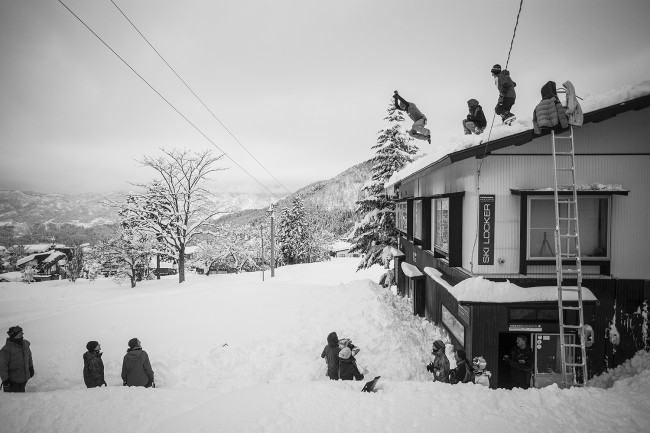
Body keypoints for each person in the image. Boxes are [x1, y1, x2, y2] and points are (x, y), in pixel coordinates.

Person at [0, 326, 34, 393]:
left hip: (24, 377)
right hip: (14, 380)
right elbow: (3, 367)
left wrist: (30, 367)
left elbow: (29, 356)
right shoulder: (6, 350)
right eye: (20, 332)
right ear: (14, 335)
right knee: (16, 399)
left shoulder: (25, 344)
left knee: (22, 392)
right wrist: (5, 381)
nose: (22, 333)